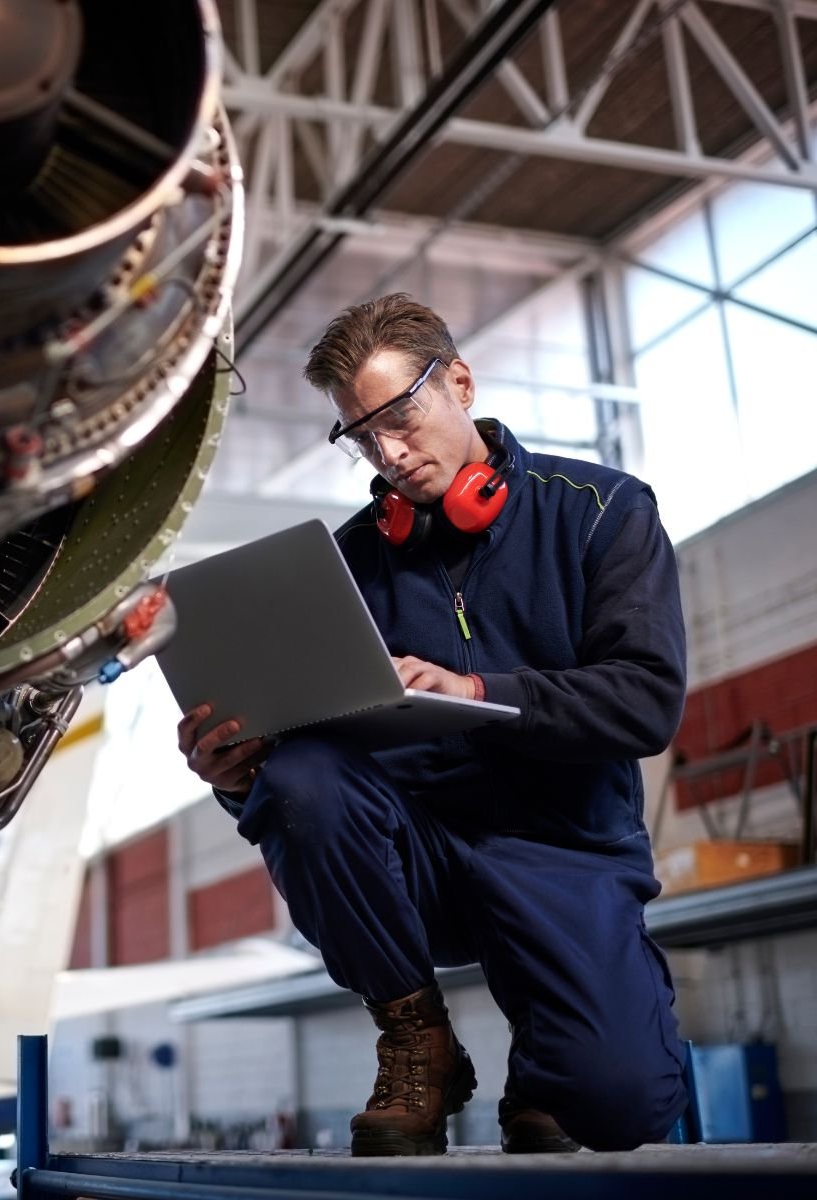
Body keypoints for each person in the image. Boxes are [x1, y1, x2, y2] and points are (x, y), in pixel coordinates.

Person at [177, 294, 688, 1156]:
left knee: (619, 1107)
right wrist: (239, 777)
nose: (389, 453)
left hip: (563, 855)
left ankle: (554, 1067)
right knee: (300, 776)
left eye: (399, 418)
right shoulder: (342, 564)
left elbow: (645, 699)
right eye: (361, 436)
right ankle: (418, 1039)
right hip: (419, 860)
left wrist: (478, 690)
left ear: (458, 380)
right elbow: (314, 783)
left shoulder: (601, 512)